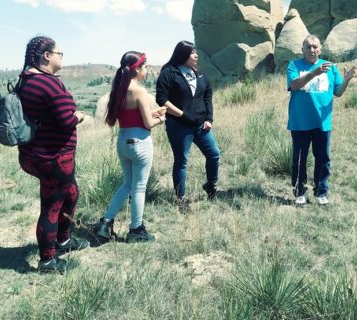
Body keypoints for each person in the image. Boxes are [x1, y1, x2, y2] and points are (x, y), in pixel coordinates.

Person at [17, 36, 89, 273]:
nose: (61, 57)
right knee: (51, 206)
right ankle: (48, 260)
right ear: (47, 56)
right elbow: (66, 120)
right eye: (59, 53)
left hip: (35, 153)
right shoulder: (48, 83)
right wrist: (78, 116)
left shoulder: (26, 80)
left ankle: (64, 241)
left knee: (70, 193)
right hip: (54, 157)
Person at [94, 51, 165, 243]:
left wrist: (153, 113)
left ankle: (105, 222)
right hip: (140, 142)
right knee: (139, 188)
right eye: (145, 66)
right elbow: (148, 123)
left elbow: (133, 115)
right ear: (137, 69)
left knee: (127, 184)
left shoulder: (120, 89)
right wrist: (161, 118)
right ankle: (136, 229)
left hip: (123, 140)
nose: (147, 70)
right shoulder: (140, 91)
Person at [286, 35, 356, 205]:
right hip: (300, 122)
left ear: (320, 49)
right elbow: (294, 85)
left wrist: (346, 80)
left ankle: (320, 192)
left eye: (315, 47)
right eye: (308, 47)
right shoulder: (294, 65)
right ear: (302, 49)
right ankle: (299, 192)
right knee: (300, 158)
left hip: (322, 123)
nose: (311, 50)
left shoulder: (330, 67)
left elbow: (338, 92)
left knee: (323, 158)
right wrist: (314, 73)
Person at [155, 41, 220, 212]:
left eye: (196, 52)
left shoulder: (200, 75)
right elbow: (162, 100)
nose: (196, 55)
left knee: (214, 155)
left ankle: (211, 184)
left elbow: (207, 98)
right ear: (182, 54)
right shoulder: (169, 73)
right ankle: (181, 199)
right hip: (179, 126)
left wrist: (209, 119)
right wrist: (182, 115)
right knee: (181, 161)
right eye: (192, 53)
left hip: (201, 126)